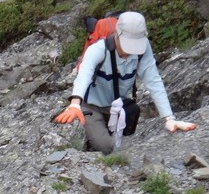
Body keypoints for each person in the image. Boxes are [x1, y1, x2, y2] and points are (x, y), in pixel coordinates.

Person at [54, 11, 196, 153]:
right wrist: (75, 104)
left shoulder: (143, 49)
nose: (130, 51)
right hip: (91, 106)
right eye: (127, 44)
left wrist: (169, 118)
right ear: (117, 34)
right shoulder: (98, 49)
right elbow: (84, 74)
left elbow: (153, 81)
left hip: (116, 107)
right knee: (107, 147)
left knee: (127, 138)